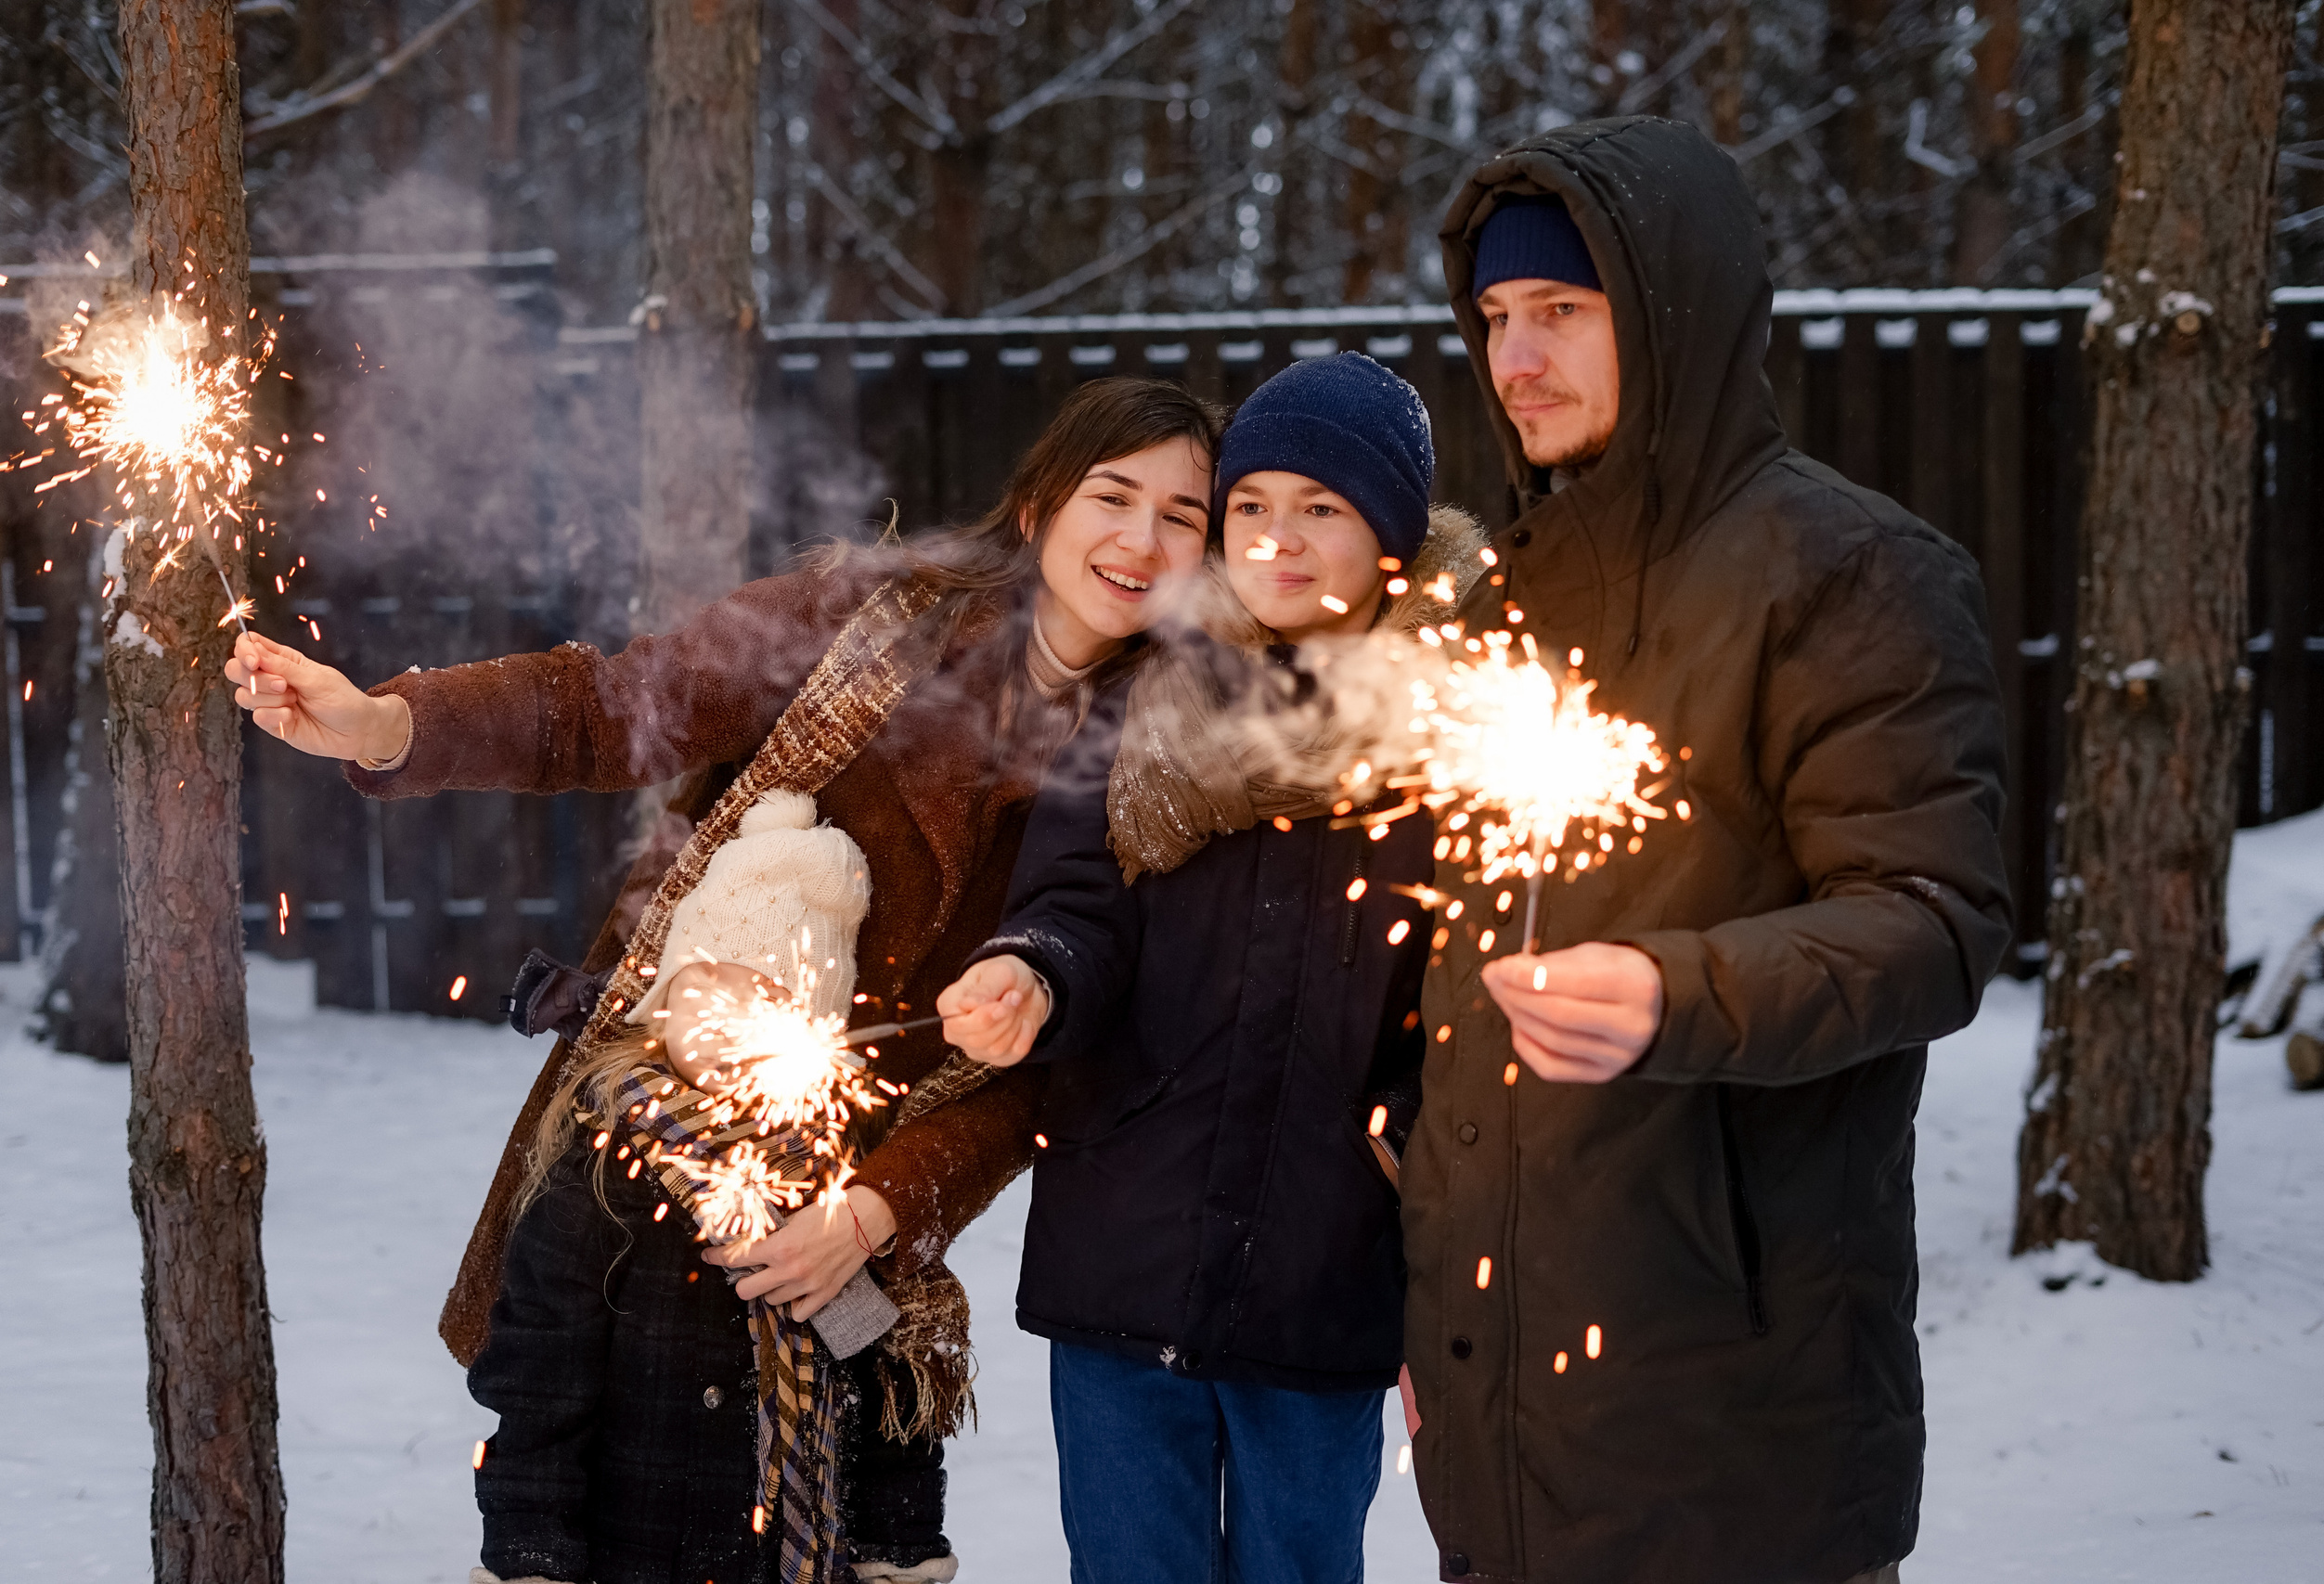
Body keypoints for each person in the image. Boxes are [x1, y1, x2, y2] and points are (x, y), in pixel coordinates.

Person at [224, 377, 1221, 1584]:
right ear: (1039, 506)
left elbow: (1047, 1074)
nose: (1141, 539)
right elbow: (612, 708)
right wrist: (388, 726)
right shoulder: (868, 624)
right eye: (1113, 496)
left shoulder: (1176, 764)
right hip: (680, 1093)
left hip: (859, 1196)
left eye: (1184, 515)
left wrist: (880, 1210)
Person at [1400, 120, 2010, 1584]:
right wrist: (1430, 1303)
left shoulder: (1850, 574)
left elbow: (1930, 922)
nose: (1515, 359)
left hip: (1741, 1431)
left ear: (1673, 311)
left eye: (1562, 309)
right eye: (1494, 316)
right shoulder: (1500, 608)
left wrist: (1677, 993)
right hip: (1499, 1437)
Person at [936, 353, 1484, 1584]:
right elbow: (1077, 898)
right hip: (1127, 1246)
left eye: (1322, 508)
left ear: (1393, 538)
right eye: (1251, 506)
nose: (1277, 538)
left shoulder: (1458, 738)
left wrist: (1401, 1134)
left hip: (1326, 1267)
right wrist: (1035, 973)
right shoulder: (1146, 699)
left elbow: (1467, 993)